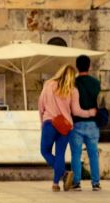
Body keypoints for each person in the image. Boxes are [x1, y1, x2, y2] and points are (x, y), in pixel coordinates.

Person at [37, 64, 89, 192]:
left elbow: (41, 105)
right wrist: (89, 113)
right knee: (60, 154)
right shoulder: (73, 90)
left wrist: (42, 122)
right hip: (66, 126)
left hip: (50, 123)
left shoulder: (48, 85)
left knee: (45, 151)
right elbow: (76, 111)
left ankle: (64, 174)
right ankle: (55, 184)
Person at [68, 54, 102, 191]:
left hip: (76, 123)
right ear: (89, 66)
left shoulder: (73, 83)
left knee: (76, 154)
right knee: (93, 154)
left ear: (77, 66)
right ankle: (96, 183)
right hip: (93, 123)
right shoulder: (96, 83)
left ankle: (76, 182)